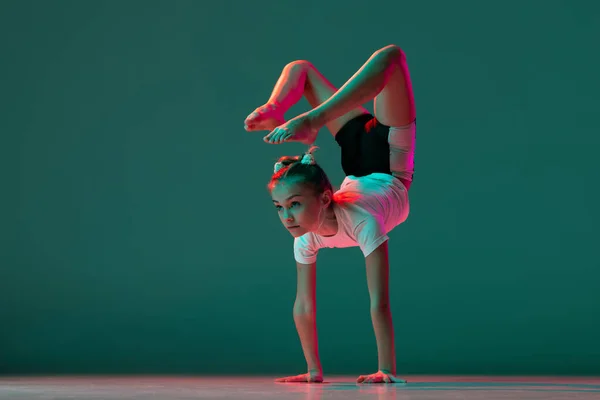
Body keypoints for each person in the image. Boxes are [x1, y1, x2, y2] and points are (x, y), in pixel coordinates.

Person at [244, 45, 416, 384]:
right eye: (280, 207)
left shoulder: (361, 222)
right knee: (390, 59)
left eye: (294, 204)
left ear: (325, 198)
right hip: (390, 151)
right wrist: (312, 371)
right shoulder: (309, 235)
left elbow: (379, 303)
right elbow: (304, 306)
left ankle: (300, 116)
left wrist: (386, 370)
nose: (286, 217)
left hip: (361, 160)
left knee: (306, 68)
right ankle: (288, 112)